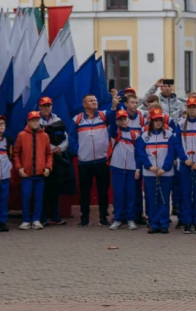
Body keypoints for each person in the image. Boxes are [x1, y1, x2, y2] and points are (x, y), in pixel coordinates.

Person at [69, 94, 117, 227]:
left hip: (102, 160)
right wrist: (77, 152)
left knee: (103, 191)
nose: (94, 102)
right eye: (91, 100)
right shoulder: (77, 119)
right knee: (85, 191)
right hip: (85, 162)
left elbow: (114, 120)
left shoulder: (104, 115)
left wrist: (113, 107)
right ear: (84, 104)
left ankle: (103, 217)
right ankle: (84, 218)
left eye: (95, 100)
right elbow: (72, 138)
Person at [136, 107, 178, 234]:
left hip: (166, 173)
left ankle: (164, 223)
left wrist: (164, 168)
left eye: (160, 120)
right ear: (151, 122)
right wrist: (149, 166)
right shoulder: (144, 136)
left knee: (164, 198)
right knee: (152, 198)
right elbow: (140, 153)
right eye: (155, 120)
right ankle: (154, 223)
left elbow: (172, 153)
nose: (158, 123)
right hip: (150, 173)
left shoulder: (169, 135)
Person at [175, 97, 196, 234]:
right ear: (186, 108)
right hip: (185, 165)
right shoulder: (180, 124)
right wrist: (184, 159)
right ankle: (187, 223)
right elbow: (177, 144)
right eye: (189, 107)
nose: (192, 109)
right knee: (185, 194)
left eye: (194, 107)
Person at [14, 111, 53, 230]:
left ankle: (36, 219)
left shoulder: (45, 135)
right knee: (25, 197)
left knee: (38, 197)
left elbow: (49, 154)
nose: (36, 122)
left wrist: (48, 167)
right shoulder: (21, 135)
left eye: (37, 120)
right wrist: (19, 167)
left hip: (40, 173)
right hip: (27, 174)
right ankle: (25, 220)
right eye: (33, 120)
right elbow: (16, 153)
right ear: (28, 122)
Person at [39, 96, 71, 227]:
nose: (46, 108)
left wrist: (60, 148)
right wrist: (51, 149)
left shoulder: (58, 119)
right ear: (39, 107)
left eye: (48, 105)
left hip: (57, 158)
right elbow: (37, 139)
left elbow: (66, 138)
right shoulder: (35, 119)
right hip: (42, 159)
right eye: (44, 106)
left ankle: (55, 216)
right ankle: (42, 217)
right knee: (43, 189)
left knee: (55, 188)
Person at [107, 110, 140, 231]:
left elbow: (139, 153)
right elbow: (111, 121)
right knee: (119, 194)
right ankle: (118, 219)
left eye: (124, 119)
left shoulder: (135, 135)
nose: (123, 121)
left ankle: (130, 219)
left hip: (131, 169)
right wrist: (114, 109)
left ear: (128, 120)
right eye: (120, 119)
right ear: (117, 121)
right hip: (117, 168)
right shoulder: (115, 132)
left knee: (131, 194)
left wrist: (137, 168)